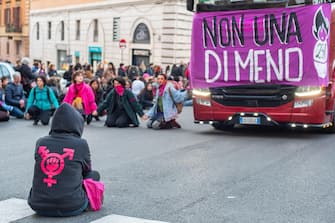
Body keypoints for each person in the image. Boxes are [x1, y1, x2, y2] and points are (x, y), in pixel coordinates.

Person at [28, 103, 101, 217]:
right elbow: (86, 171)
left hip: (37, 205)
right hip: (72, 207)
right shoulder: (80, 144)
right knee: (94, 175)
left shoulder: (41, 142)